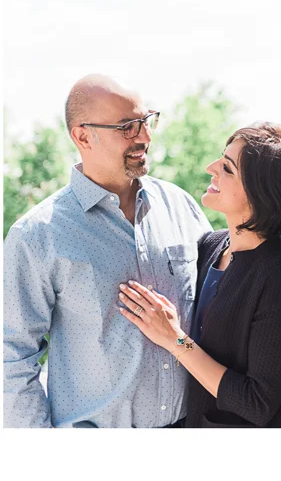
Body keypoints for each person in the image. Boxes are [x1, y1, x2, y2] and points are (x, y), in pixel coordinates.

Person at [4, 75, 212, 428]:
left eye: (146, 121)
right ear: (83, 136)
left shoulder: (181, 207)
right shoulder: (37, 235)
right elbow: (11, 357)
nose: (144, 137)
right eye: (127, 127)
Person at [118, 123, 281, 428]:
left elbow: (256, 403)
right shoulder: (212, 245)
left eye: (227, 168)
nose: (211, 168)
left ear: (261, 192)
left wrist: (176, 340)